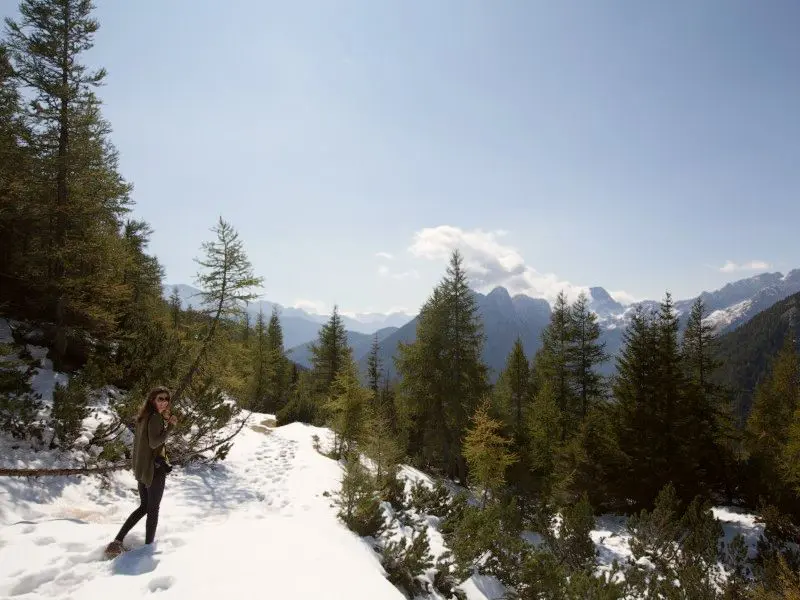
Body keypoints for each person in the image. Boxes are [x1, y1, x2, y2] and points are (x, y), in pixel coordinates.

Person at [105, 386, 177, 558]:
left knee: (144, 507)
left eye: (166, 399)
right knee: (153, 509)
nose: (164, 402)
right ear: (153, 399)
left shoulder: (143, 416)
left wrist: (164, 420)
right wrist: (170, 427)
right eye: (160, 398)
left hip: (143, 469)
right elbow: (154, 443)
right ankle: (148, 548)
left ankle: (117, 541)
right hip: (154, 471)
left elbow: (144, 444)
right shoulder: (155, 418)